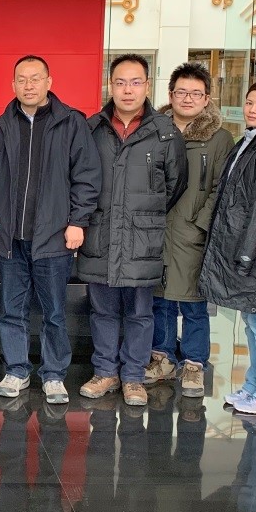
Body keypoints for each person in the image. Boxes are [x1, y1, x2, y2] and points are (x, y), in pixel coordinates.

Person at [0, 55, 102, 405]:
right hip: (11, 238)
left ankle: (53, 374)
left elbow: (87, 176)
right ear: (13, 84)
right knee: (11, 310)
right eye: (21, 79)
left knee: (54, 312)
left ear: (49, 82)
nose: (28, 85)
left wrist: (78, 221)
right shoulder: (3, 125)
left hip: (54, 236)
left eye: (35, 78)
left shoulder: (71, 123)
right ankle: (17, 370)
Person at [77, 54, 187, 408]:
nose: (128, 90)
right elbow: (78, 179)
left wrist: (144, 215)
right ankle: (105, 372)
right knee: (102, 311)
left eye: (136, 82)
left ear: (147, 86)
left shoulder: (165, 133)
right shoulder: (92, 129)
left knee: (140, 312)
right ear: (110, 85)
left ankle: (134, 376)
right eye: (121, 82)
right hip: (101, 234)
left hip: (143, 237)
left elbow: (175, 185)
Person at [198, 79, 256, 417]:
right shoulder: (253, 139)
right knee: (252, 321)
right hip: (245, 246)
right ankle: (255, 385)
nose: (253, 109)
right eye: (250, 102)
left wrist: (248, 253)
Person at [148, 63, 232, 398]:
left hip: (192, 231)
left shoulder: (219, 138)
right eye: (181, 92)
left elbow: (221, 188)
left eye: (196, 93)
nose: (188, 98)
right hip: (155, 230)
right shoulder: (154, 130)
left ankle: (195, 363)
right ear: (170, 95)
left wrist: (200, 224)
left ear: (207, 98)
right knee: (159, 298)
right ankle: (162, 358)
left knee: (195, 303)